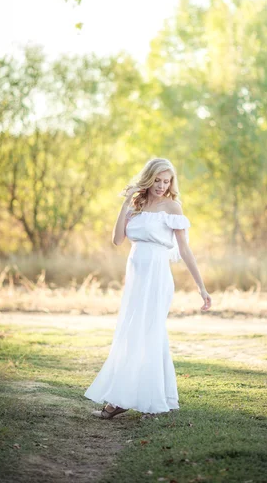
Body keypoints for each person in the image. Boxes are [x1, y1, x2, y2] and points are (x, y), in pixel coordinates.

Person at [84, 157, 212, 419]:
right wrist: (125, 202)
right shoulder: (137, 204)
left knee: (151, 333)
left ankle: (151, 403)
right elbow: (118, 240)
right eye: (158, 180)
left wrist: (202, 287)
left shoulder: (173, 207)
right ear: (148, 178)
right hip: (136, 275)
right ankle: (122, 399)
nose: (162, 186)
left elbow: (185, 250)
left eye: (167, 181)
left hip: (157, 275)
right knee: (130, 333)